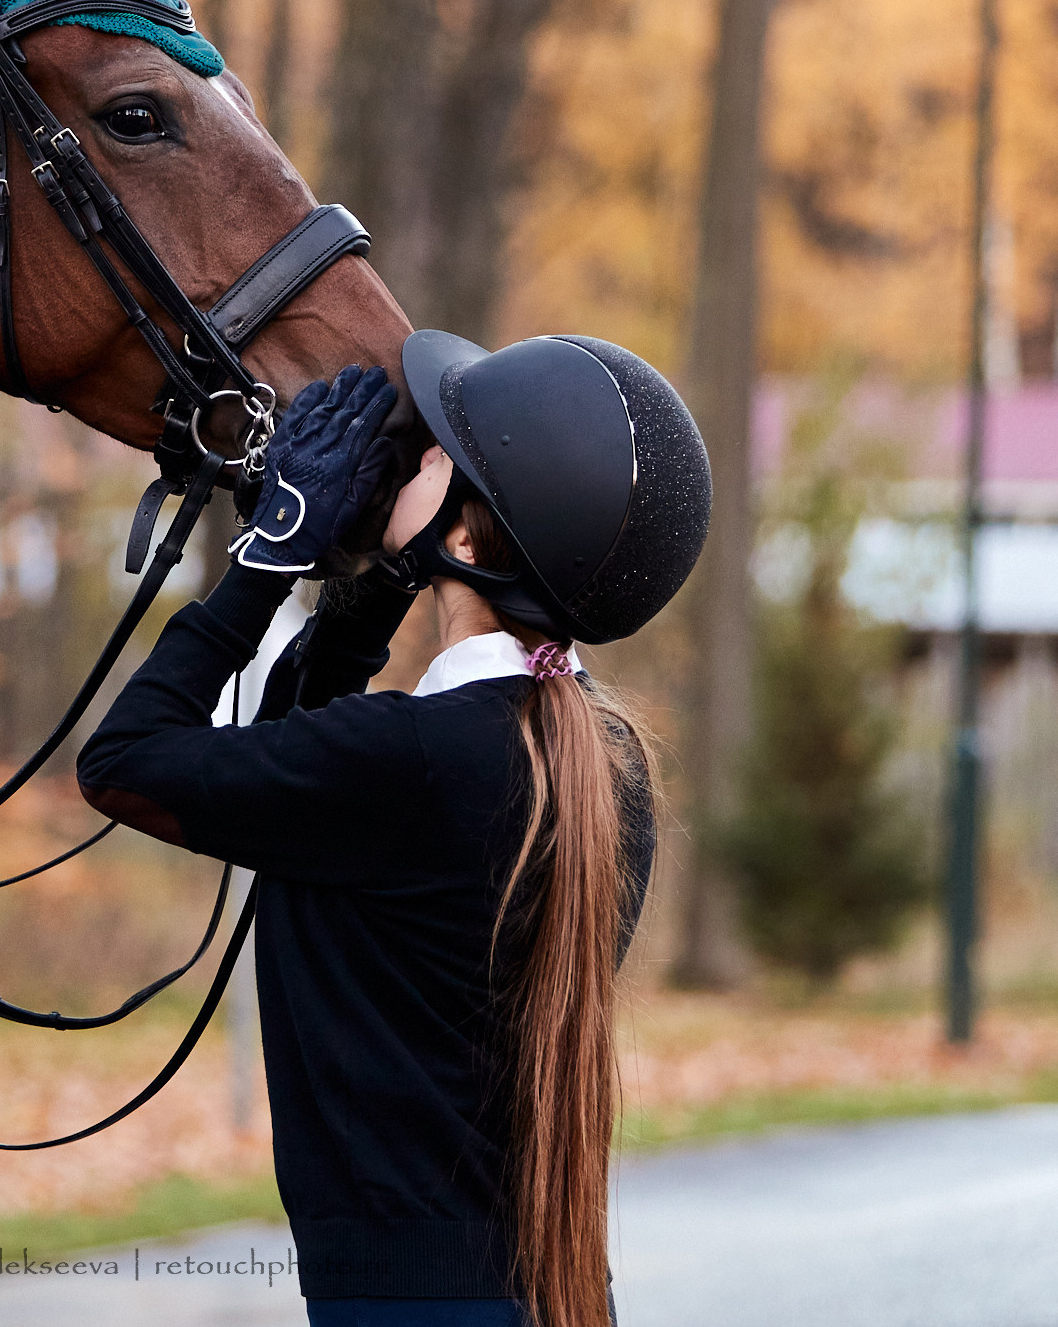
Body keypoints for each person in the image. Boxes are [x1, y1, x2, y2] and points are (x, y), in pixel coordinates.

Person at [76, 331, 713, 1327]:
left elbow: (123, 763)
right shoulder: (597, 765)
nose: (403, 454)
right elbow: (313, 780)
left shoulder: (415, 759)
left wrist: (267, 558)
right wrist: (372, 589)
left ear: (462, 539)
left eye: (428, 457)